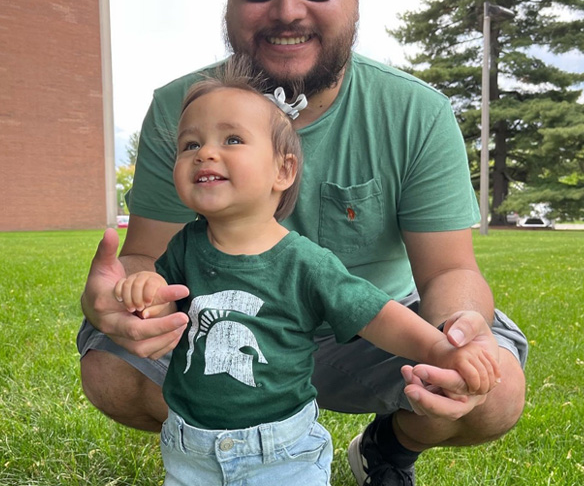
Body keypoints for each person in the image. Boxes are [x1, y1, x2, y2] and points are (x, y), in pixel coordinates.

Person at [78, 0, 528, 484]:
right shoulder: (179, 109)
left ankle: (388, 447)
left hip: (372, 330)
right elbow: (147, 253)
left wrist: (456, 337)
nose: (287, 7)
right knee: (114, 369)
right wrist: (126, 298)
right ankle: (235, 443)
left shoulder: (416, 111)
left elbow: (449, 271)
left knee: (492, 384)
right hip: (222, 326)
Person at [112, 67, 500, 485]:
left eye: (232, 139)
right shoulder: (185, 246)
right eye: (190, 144)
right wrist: (147, 292)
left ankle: (381, 448)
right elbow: (165, 304)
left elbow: (375, 314)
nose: (205, 153)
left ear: (284, 170)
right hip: (190, 447)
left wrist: (440, 348)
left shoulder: (304, 261)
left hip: (282, 451)